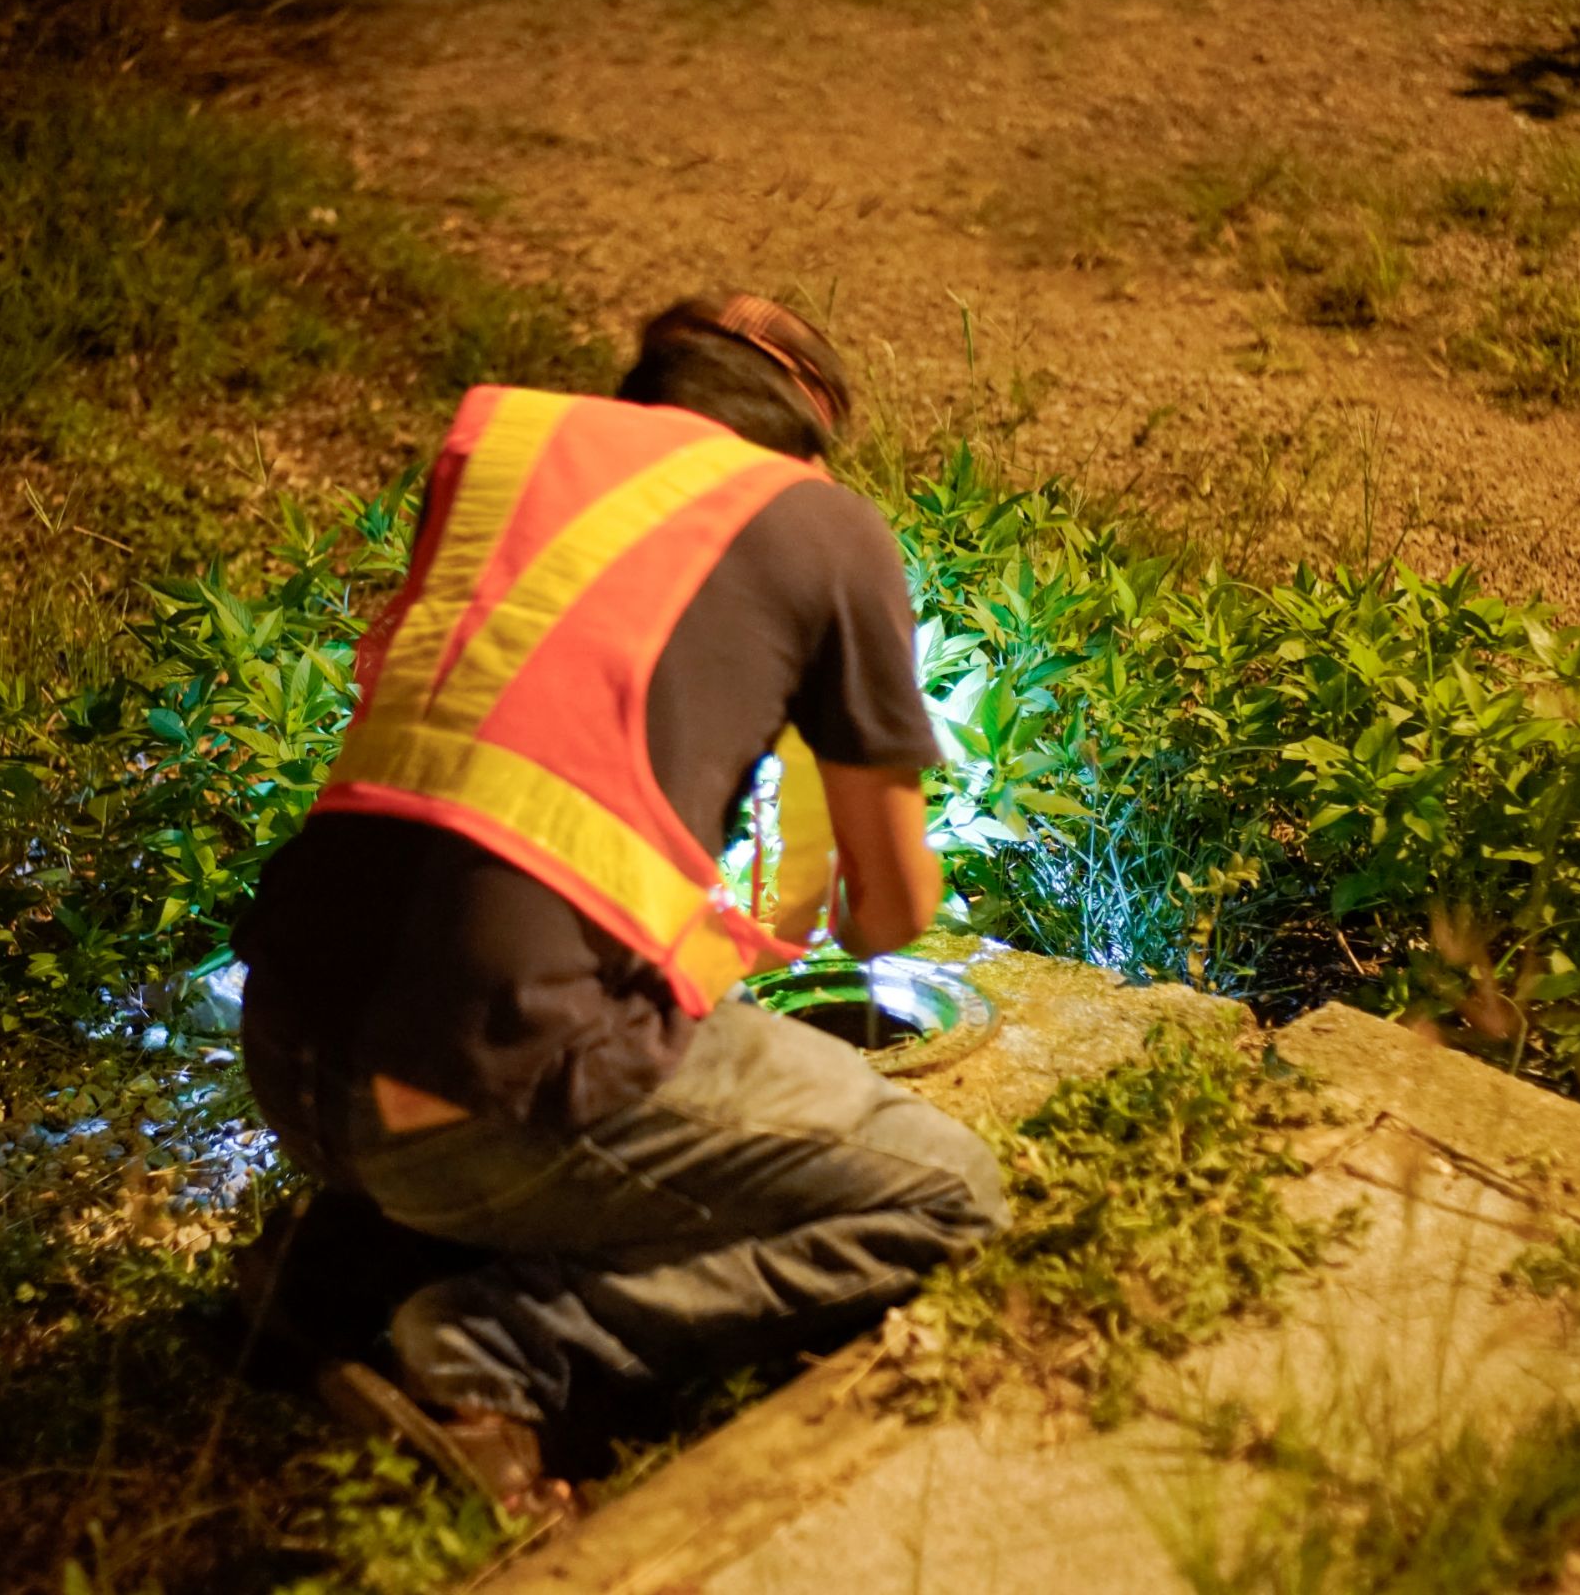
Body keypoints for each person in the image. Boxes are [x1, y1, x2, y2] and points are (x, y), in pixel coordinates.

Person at [229, 294, 1010, 1514]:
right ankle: (492, 1347)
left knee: (499, 998)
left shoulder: (509, 458)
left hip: (284, 1053)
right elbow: (894, 914)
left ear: (650, 391)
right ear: (811, 425)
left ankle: (334, 1276)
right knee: (947, 1194)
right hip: (489, 1095)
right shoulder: (824, 524)